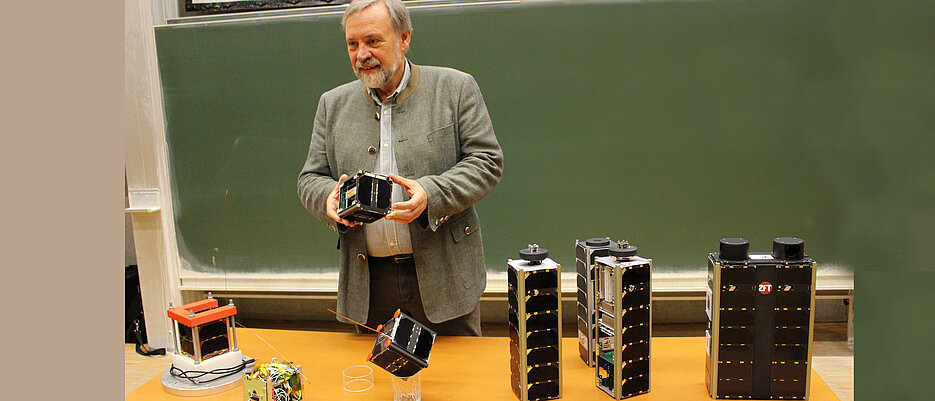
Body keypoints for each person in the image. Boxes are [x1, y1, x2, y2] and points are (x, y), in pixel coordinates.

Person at [297, 0, 503, 336]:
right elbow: (310, 178)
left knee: (460, 384)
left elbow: (487, 162)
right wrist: (327, 198)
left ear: (404, 38)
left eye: (373, 41)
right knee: (376, 386)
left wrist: (431, 193)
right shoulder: (331, 104)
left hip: (446, 280)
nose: (361, 54)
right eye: (353, 44)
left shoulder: (455, 88)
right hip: (368, 285)